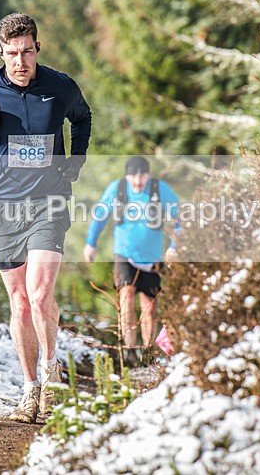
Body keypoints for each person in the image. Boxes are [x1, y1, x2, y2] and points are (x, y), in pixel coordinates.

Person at [0, 13, 92, 423]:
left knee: (41, 293)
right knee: (22, 303)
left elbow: (82, 118)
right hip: (2, 206)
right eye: (12, 54)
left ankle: (51, 375)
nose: (20, 62)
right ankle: (29, 389)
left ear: (37, 47)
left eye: (27, 51)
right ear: (2, 52)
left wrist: (75, 160)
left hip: (50, 202)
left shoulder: (60, 86)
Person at [83, 156, 180, 365]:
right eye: (133, 176)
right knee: (126, 295)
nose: (137, 181)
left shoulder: (159, 189)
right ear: (127, 176)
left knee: (149, 306)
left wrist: (174, 247)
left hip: (152, 257)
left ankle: (147, 354)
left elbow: (181, 218)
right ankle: (128, 351)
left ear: (148, 175)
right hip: (124, 253)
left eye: (142, 176)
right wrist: (91, 243)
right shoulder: (117, 189)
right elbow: (100, 216)